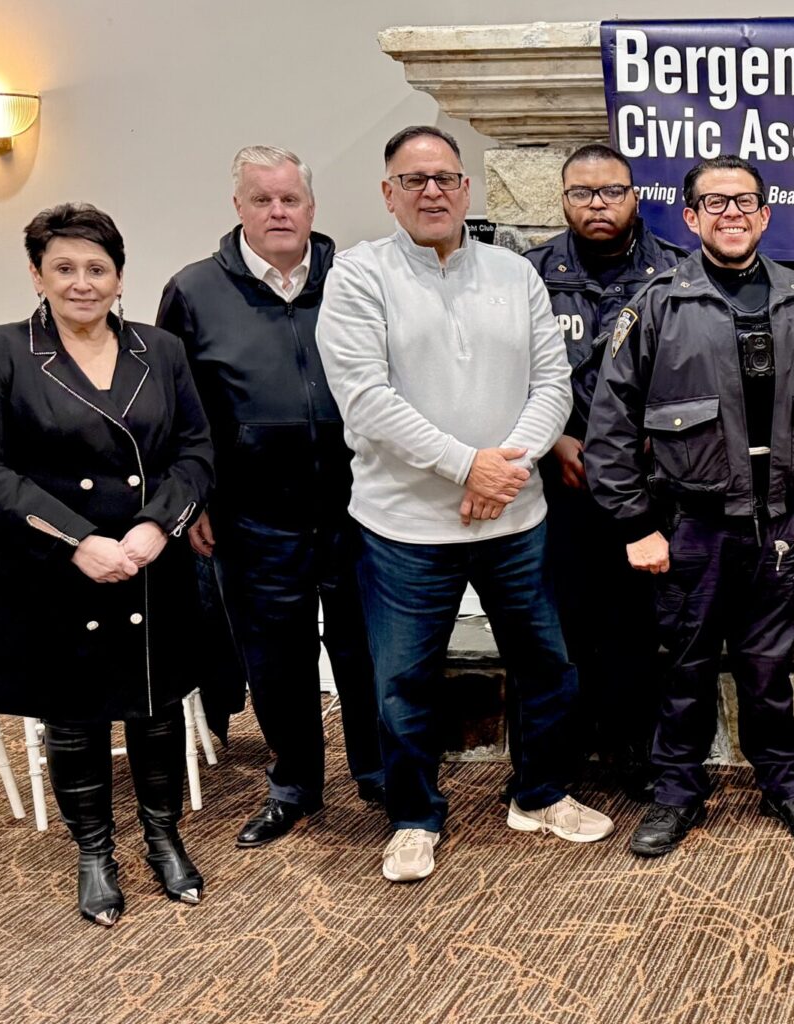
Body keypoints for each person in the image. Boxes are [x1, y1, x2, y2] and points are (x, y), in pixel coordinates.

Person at [316, 125, 612, 884]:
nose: (433, 191)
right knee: (403, 683)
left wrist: (504, 468)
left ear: (466, 188)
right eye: (414, 181)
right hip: (404, 529)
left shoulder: (516, 275)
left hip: (517, 520)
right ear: (389, 193)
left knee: (547, 664)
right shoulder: (358, 278)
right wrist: (464, 468)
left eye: (445, 177)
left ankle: (540, 794)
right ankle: (415, 816)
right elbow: (367, 401)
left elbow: (554, 383)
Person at [585, 156, 794, 856]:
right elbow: (610, 425)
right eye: (714, 203)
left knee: (768, 670)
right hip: (693, 528)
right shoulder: (657, 303)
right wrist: (634, 524)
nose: (731, 214)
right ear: (690, 217)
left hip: (784, 525)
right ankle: (677, 793)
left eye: (744, 201)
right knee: (684, 670)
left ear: (765, 213)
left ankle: (785, 783)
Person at [0, 203, 214, 925]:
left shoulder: (159, 351)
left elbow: (196, 453)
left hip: (147, 558)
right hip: (50, 566)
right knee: (75, 719)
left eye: (96, 268)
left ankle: (163, 838)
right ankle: (94, 852)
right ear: (37, 274)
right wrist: (77, 541)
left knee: (156, 710)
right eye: (63, 268)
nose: (81, 283)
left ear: (120, 276)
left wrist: (160, 525)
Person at [157, 145, 384, 849]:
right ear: (239, 208)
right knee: (276, 661)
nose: (278, 212)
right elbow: (172, 410)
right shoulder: (194, 291)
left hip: (364, 508)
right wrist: (189, 500)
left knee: (368, 652)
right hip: (252, 516)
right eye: (263, 200)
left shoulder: (360, 279)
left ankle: (379, 774)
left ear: (312, 209)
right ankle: (294, 785)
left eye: (290, 199)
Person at [523, 143, 687, 797]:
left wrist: (650, 442)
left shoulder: (676, 274)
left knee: (637, 627)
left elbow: (693, 374)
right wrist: (556, 441)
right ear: (563, 200)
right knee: (555, 626)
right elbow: (510, 376)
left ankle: (636, 756)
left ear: (634, 196)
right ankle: (556, 761)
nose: (598, 204)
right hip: (555, 483)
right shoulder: (528, 276)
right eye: (582, 193)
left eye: (611, 191)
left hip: (645, 486)